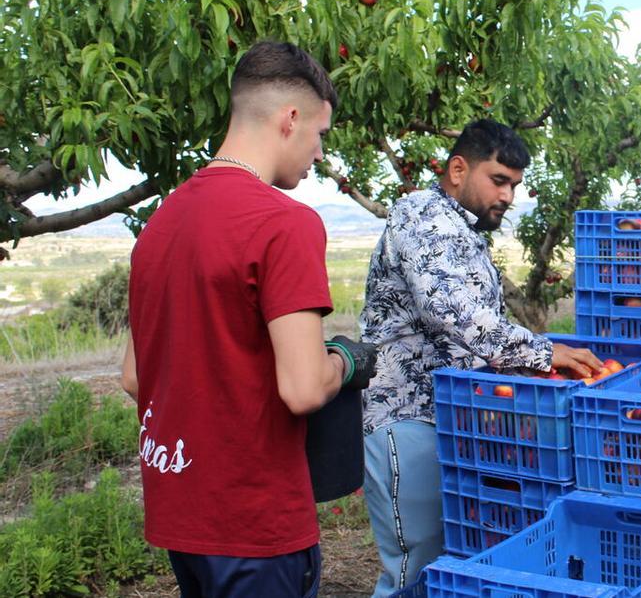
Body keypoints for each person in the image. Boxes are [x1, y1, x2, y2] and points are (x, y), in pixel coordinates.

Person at [121, 40, 377, 598]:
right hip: (256, 525)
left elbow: (134, 377)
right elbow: (303, 389)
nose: (318, 153)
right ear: (290, 119)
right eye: (320, 134)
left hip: (182, 518)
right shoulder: (284, 223)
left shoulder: (161, 224)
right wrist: (345, 360)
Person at [358, 118, 603, 595]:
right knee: (415, 567)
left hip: (451, 418)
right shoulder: (423, 216)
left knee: (448, 561)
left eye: (514, 186)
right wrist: (543, 352)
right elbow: (454, 312)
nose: (508, 196)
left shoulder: (462, 230)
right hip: (408, 416)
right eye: (498, 180)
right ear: (458, 170)